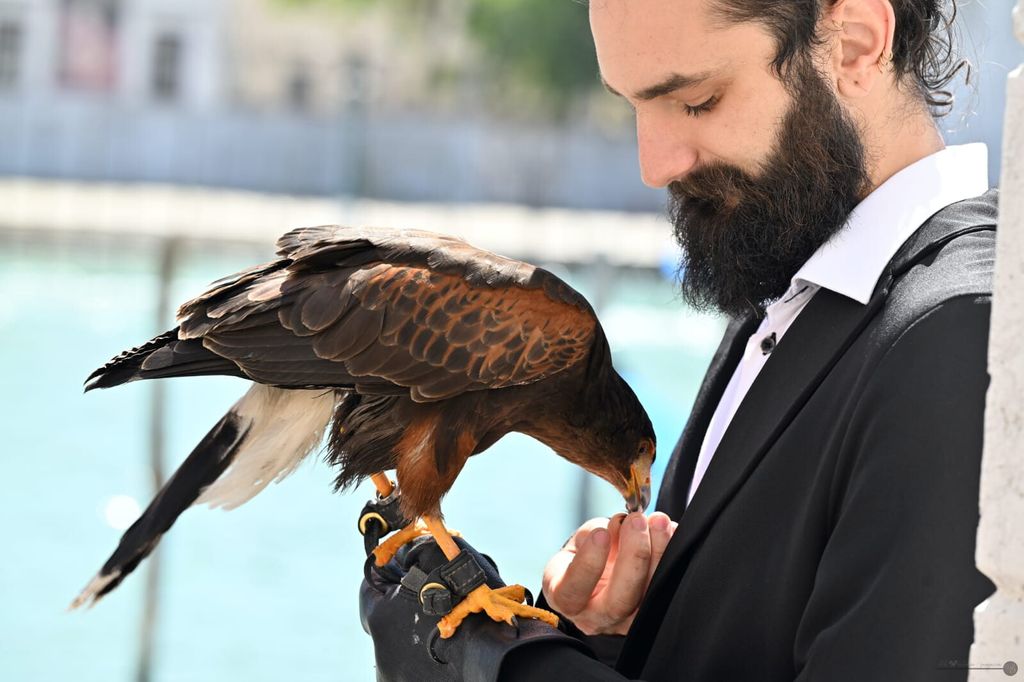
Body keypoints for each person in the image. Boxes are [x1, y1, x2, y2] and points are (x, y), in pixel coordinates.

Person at [360, 0, 997, 679]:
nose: (654, 164)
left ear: (855, 45)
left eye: (697, 101)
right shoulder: (782, 309)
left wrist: (499, 664)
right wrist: (601, 634)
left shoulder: (962, 335)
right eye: (631, 106)